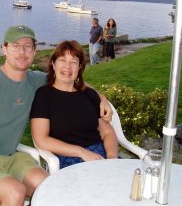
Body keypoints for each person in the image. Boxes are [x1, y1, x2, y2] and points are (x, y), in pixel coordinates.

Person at [0, 26, 114, 206]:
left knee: (50, 186)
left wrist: (101, 97)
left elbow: (69, 79)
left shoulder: (35, 80)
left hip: (10, 157)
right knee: (15, 192)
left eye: (28, 46)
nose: (22, 52)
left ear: (34, 50)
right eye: (15, 46)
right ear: (4, 49)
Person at [30, 40, 119, 169]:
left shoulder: (89, 94)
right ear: (53, 65)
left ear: (79, 67)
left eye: (73, 61)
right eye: (62, 60)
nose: (68, 66)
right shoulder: (44, 96)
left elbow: (107, 133)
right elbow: (41, 139)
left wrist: (112, 157)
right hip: (66, 158)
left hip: (99, 155)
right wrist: (81, 151)